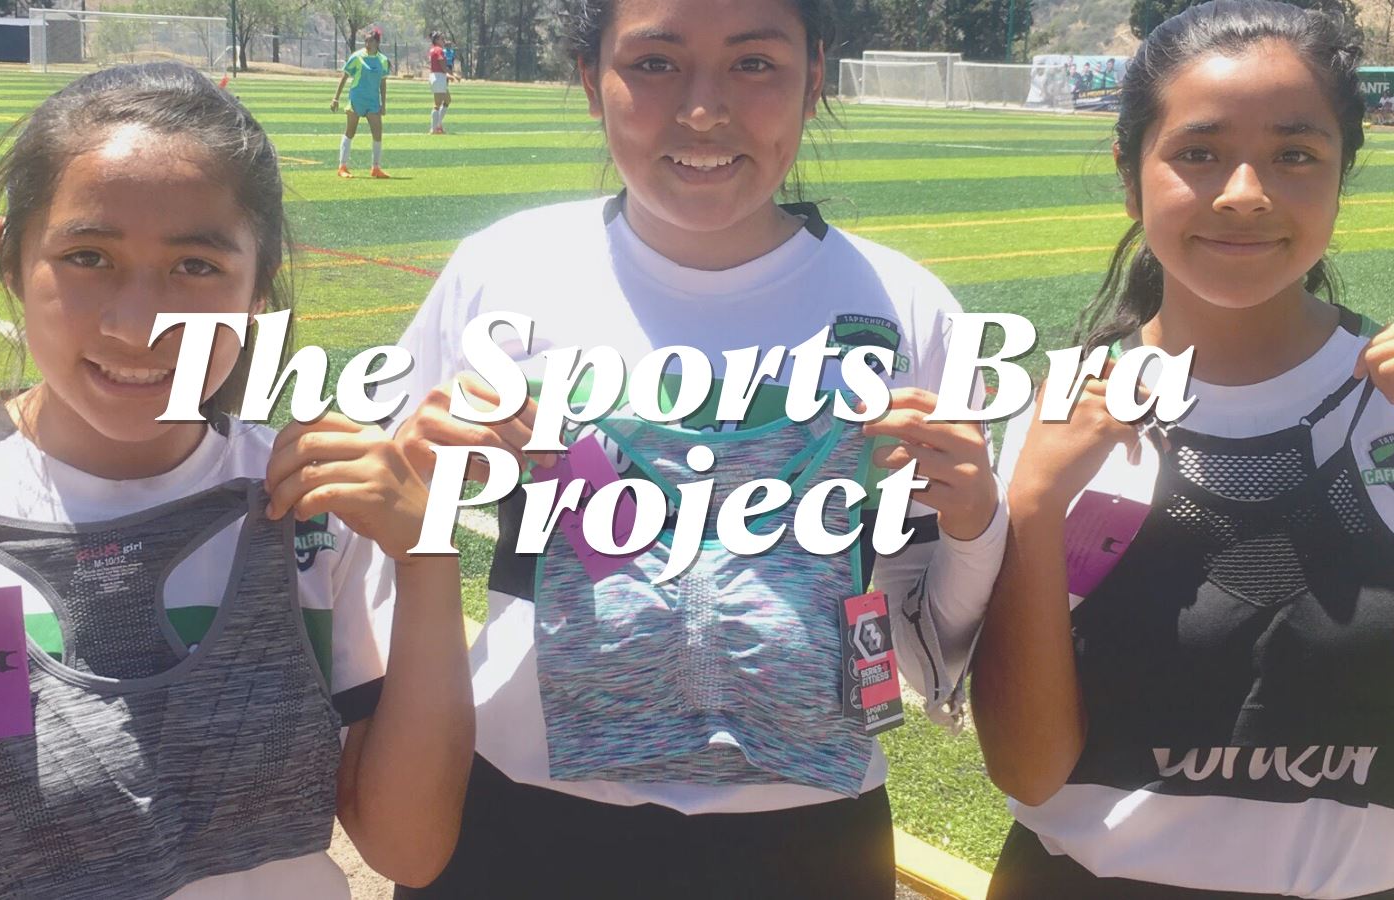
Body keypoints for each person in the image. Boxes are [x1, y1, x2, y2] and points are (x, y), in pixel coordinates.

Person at [378, 0, 1007, 896]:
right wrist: (416, 471)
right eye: (657, 63)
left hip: (802, 838)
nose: (704, 111)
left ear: (814, 77)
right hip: (516, 818)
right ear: (591, 78)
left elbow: (931, 643)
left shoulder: (904, 308)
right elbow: (373, 536)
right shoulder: (503, 271)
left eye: (754, 65)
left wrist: (976, 517)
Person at [0, 63, 472, 898]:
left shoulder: (313, 503)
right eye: (88, 256)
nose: (141, 324)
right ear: (13, 258)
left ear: (260, 287)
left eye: (195, 267)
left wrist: (429, 553)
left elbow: (406, 852)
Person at [972, 3, 1394, 897]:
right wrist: (1036, 503)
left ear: (1342, 175)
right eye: (1198, 152)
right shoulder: (1056, 419)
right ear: (1131, 174)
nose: (1246, 191)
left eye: (1295, 154)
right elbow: (1029, 771)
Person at [331, 27, 391, 178]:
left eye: (370, 41)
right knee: (350, 132)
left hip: (373, 101)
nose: (367, 43)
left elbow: (383, 83)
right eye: (365, 41)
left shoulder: (382, 60)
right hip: (357, 99)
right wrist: (335, 98)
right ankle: (342, 167)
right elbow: (344, 77)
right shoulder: (357, 57)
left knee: (378, 134)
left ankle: (375, 168)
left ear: (377, 42)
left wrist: (383, 104)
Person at [428, 32, 451, 135]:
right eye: (442, 39)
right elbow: (441, 62)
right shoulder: (438, 50)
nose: (444, 41)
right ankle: (434, 129)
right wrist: (448, 73)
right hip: (439, 76)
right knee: (437, 104)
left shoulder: (433, 49)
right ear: (437, 40)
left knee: (447, 100)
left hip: (436, 76)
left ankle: (438, 124)